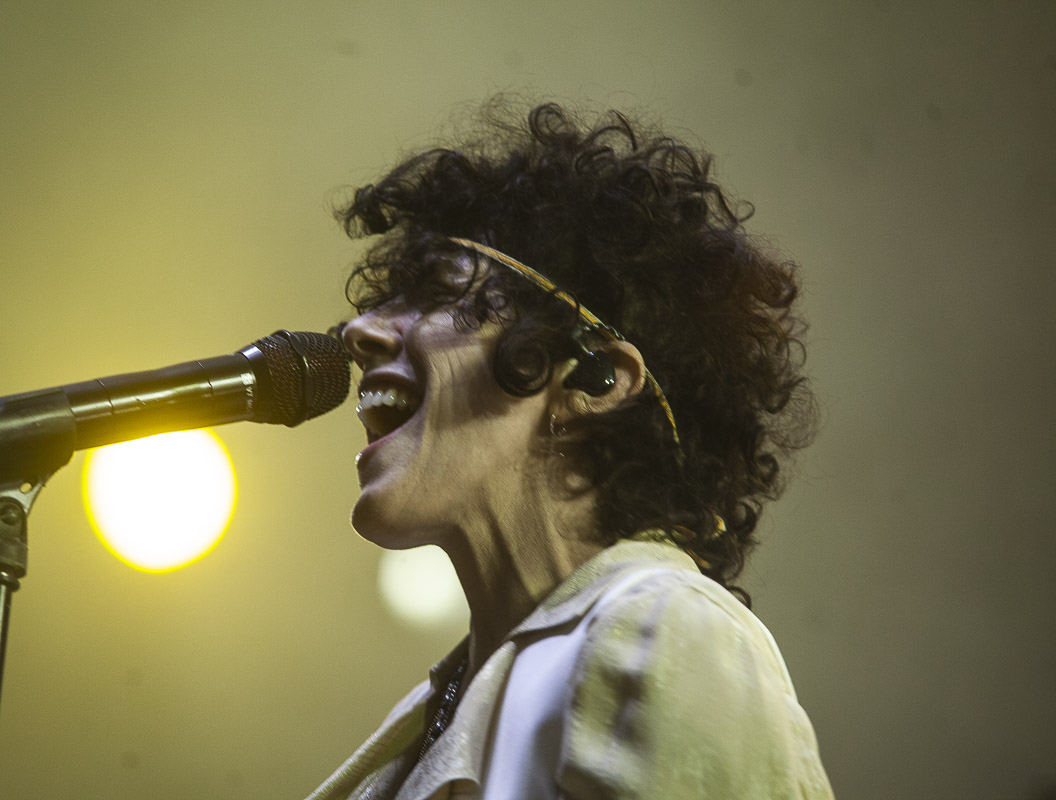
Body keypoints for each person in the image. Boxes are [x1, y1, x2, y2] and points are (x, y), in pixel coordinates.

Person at [307, 99, 833, 799]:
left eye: (433, 291)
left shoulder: (666, 626)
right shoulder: (436, 715)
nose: (360, 331)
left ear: (596, 378)